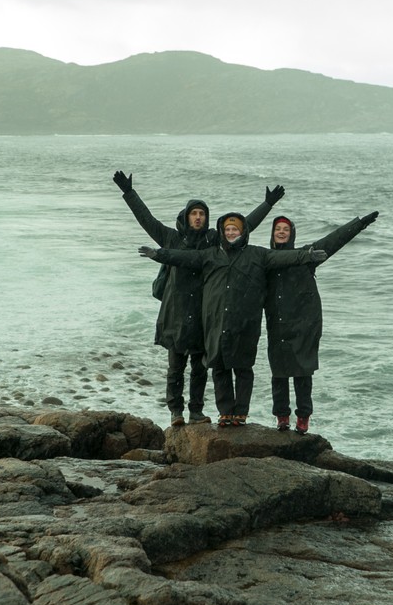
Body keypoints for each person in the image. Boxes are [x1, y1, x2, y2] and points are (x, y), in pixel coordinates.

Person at [113, 171, 284, 427]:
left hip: (206, 314)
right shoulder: (171, 238)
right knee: (175, 367)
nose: (198, 217)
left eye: (202, 214)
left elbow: (243, 226)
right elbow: (146, 219)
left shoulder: (214, 241)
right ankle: (175, 411)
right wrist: (128, 192)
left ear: (207, 219)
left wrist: (268, 204)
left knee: (200, 368)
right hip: (176, 312)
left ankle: (196, 411)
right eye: (194, 213)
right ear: (186, 215)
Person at [140, 213, 327, 427]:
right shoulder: (209, 255)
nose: (231, 233)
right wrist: (159, 254)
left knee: (243, 368)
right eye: (227, 229)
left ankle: (241, 412)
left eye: (235, 229)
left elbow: (284, 257)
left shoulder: (257, 254)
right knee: (220, 367)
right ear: (222, 231)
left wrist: (308, 256)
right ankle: (225, 412)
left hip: (245, 323)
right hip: (216, 322)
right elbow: (183, 258)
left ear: (243, 232)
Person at [265, 211, 378, 434]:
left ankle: (303, 417)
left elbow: (333, 241)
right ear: (272, 234)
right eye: (278, 229)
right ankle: (282, 417)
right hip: (277, 323)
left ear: (292, 234)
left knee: (302, 372)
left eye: (285, 229)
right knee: (279, 372)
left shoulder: (306, 255)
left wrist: (359, 225)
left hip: (305, 323)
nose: (281, 232)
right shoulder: (266, 260)